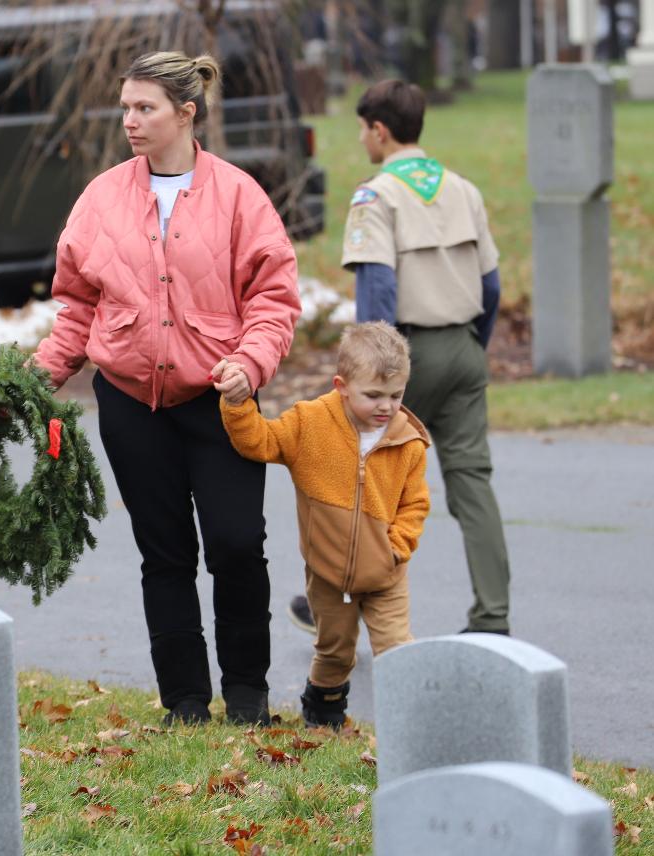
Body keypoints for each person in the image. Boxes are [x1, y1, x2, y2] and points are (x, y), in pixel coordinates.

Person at [32, 51, 300, 726]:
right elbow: (78, 306)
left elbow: (274, 297)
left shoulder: (240, 196)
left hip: (222, 401)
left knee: (237, 544)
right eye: (124, 107)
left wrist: (252, 361)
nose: (130, 121)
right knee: (165, 553)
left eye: (144, 108)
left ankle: (247, 694)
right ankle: (184, 701)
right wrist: (40, 374)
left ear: (187, 112)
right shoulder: (101, 198)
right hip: (129, 404)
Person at [289, 78, 511, 637]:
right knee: (472, 483)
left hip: (399, 358)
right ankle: (492, 616)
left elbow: (379, 290)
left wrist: (375, 367)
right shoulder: (463, 189)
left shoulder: (376, 195)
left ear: (379, 130)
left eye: (363, 129)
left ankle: (339, 601)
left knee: (359, 483)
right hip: (463, 349)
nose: (362, 139)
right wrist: (468, 347)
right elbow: (491, 286)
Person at [218, 322, 430, 727]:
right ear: (342, 385)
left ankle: (411, 727)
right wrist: (238, 404)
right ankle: (324, 705)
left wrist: (396, 548)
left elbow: (415, 503)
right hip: (328, 574)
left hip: (387, 573)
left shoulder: (408, 441)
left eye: (396, 395)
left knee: (397, 649)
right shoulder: (310, 423)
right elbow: (259, 441)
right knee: (335, 652)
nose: (386, 406)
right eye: (373, 395)